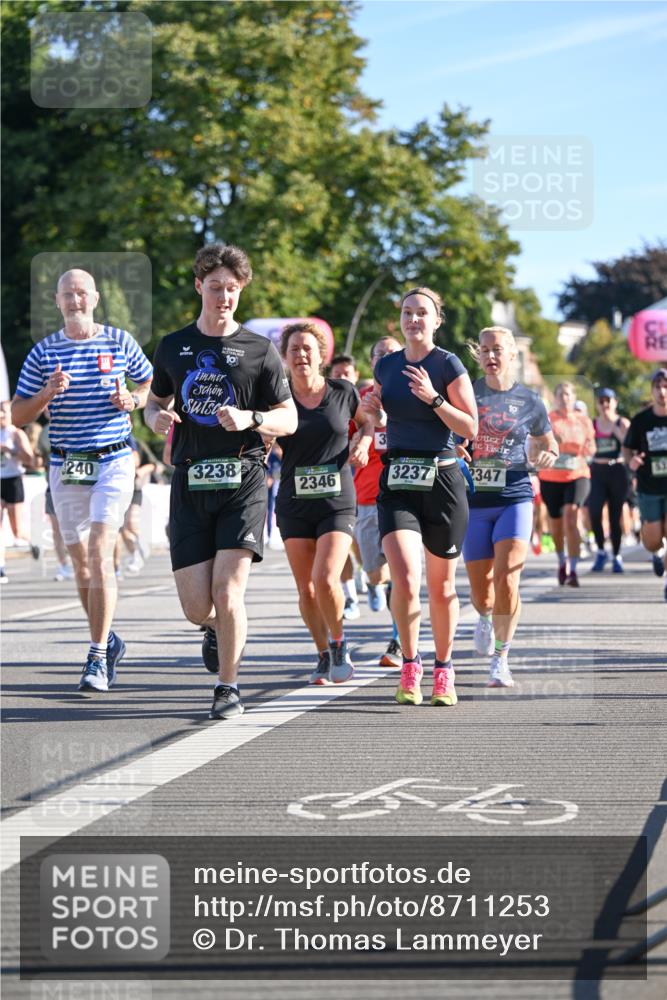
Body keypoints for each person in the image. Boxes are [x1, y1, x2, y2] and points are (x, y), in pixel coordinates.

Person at [145, 243, 297, 720]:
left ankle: (227, 687)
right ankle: (215, 628)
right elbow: (154, 403)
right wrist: (157, 420)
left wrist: (251, 417)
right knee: (197, 606)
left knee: (229, 591)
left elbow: (289, 418)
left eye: (232, 289)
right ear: (198, 287)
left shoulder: (260, 350)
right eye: (215, 288)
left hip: (244, 479)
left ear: (241, 290)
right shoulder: (173, 346)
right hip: (190, 481)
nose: (224, 297)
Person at [11, 268, 153, 692]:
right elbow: (18, 416)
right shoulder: (43, 353)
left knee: (99, 549)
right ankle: (107, 640)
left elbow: (149, 386)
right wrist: (47, 394)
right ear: (57, 302)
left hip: (113, 460)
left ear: (94, 298)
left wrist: (135, 399)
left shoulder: (120, 341)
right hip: (66, 464)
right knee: (81, 564)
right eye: (67, 294)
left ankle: (94, 657)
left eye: (81, 293)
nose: (75, 300)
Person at [363, 287, 477, 708]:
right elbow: (374, 418)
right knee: (406, 578)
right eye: (407, 312)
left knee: (441, 587)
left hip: (443, 481)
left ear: (436, 320)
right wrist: (373, 412)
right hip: (398, 479)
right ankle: (411, 663)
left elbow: (469, 428)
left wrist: (434, 398)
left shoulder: (448, 363)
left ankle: (444, 669)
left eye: (422, 313)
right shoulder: (387, 366)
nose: (413, 319)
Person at [458, 327, 558, 687]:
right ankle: (483, 616)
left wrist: (548, 453)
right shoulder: (466, 393)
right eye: (483, 350)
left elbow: (549, 441)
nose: (490, 356)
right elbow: (450, 434)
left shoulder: (530, 400)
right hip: (473, 501)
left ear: (513, 354)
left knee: (508, 578)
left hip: (514, 495)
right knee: (482, 589)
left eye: (497, 349)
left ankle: (501, 657)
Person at [275, 323, 372, 684]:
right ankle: (321, 654)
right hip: (294, 500)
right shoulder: (277, 396)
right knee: (307, 589)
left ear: (321, 356)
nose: (301, 355)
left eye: (307, 349)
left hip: (336, 498)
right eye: (294, 349)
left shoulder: (343, 391)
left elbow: (367, 424)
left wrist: (362, 443)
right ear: (284, 357)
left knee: (326, 577)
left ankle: (339, 642)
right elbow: (263, 435)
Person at [350, 336, 404, 667]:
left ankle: (399, 640)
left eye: (393, 354)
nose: (386, 358)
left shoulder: (415, 396)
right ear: (372, 363)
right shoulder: (359, 402)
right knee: (375, 574)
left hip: (405, 497)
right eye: (380, 354)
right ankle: (384, 594)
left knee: (402, 571)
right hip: (368, 498)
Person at [538, 381, 596, 587]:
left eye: (569, 394)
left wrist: (587, 448)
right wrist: (552, 442)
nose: (565, 398)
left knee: (571, 517)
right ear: (555, 398)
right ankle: (562, 561)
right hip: (551, 477)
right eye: (561, 394)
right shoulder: (547, 420)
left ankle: (573, 569)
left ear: (574, 397)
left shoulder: (583, 420)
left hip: (577, 474)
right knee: (556, 525)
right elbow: (536, 445)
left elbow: (592, 446)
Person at [623, 368, 667, 599]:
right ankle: (657, 553)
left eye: (665, 386)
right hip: (649, 485)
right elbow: (627, 448)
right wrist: (632, 461)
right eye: (658, 387)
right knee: (652, 540)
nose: (662, 391)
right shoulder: (641, 420)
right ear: (652, 391)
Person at [329, 352, 366, 617]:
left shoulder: (368, 402)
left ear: (356, 376)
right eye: (337, 374)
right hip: (335, 487)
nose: (342, 378)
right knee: (341, 544)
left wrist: (362, 443)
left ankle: (374, 579)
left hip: (367, 490)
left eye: (346, 374)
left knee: (363, 549)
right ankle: (350, 595)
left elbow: (372, 429)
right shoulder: (324, 401)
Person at [588, 388, 631, 574]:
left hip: (617, 470)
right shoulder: (592, 424)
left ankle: (616, 555)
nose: (604, 404)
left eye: (608, 400)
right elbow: (587, 447)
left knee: (615, 516)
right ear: (597, 404)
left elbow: (631, 447)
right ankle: (600, 550)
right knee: (594, 511)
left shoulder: (622, 423)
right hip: (597, 470)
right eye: (601, 401)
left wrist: (617, 433)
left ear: (615, 402)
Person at [0, 400, 39, 556]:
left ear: (11, 414)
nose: (1, 414)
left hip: (13, 479)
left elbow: (30, 460)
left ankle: (33, 543)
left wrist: (10, 450)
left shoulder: (16, 433)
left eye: (4, 411)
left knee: (17, 530)